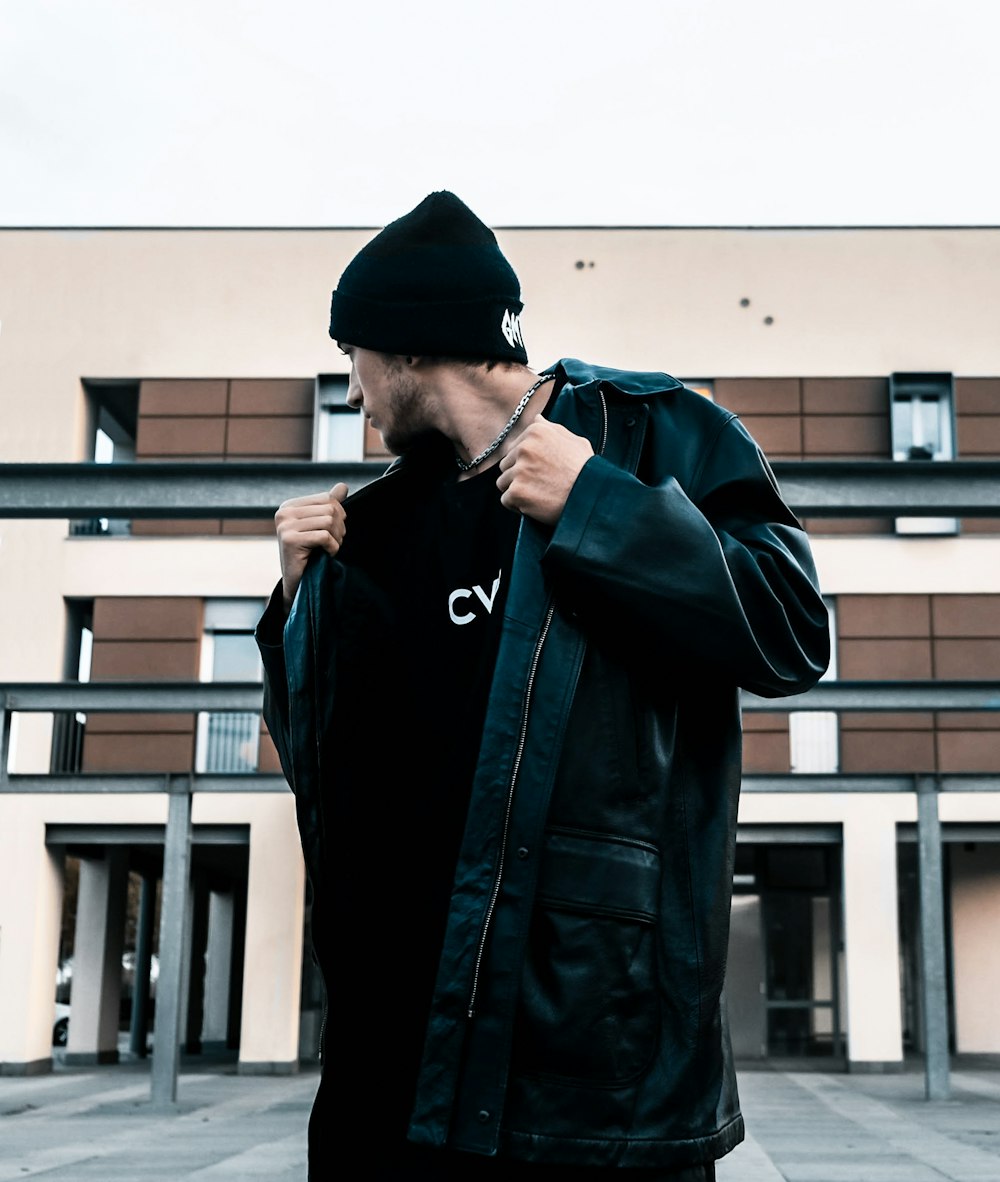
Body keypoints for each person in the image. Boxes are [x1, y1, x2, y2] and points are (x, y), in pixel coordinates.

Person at [255, 191, 830, 1180]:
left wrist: (602, 506)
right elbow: (325, 779)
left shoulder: (654, 436)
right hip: (387, 1075)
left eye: (351, 359)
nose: (351, 395)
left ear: (404, 349)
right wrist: (296, 611)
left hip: (588, 1074)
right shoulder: (374, 527)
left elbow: (790, 632)